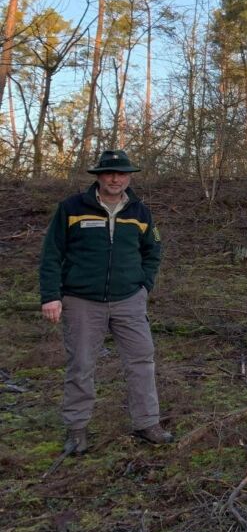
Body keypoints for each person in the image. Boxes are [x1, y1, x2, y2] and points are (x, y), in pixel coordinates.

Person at [39, 150, 173, 454]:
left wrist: (144, 287)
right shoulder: (72, 208)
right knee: (81, 364)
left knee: (141, 361)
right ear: (98, 176)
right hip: (81, 301)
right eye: (110, 173)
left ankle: (147, 423)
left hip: (129, 301)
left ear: (129, 177)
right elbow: (51, 254)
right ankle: (77, 429)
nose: (116, 179)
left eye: (122, 174)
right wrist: (50, 296)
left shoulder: (140, 212)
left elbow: (153, 251)